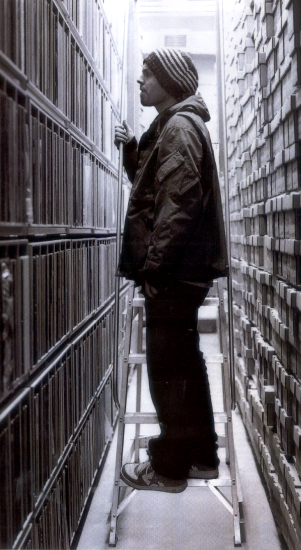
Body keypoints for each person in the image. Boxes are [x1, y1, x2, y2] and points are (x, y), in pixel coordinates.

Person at [114, 48, 229, 493]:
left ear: (169, 80)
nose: (139, 82)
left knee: (168, 372)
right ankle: (200, 456)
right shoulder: (176, 125)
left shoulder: (179, 127)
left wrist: (155, 268)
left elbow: (177, 204)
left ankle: (172, 467)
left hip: (175, 272)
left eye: (147, 74)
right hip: (183, 270)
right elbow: (155, 190)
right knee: (183, 364)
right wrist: (131, 151)